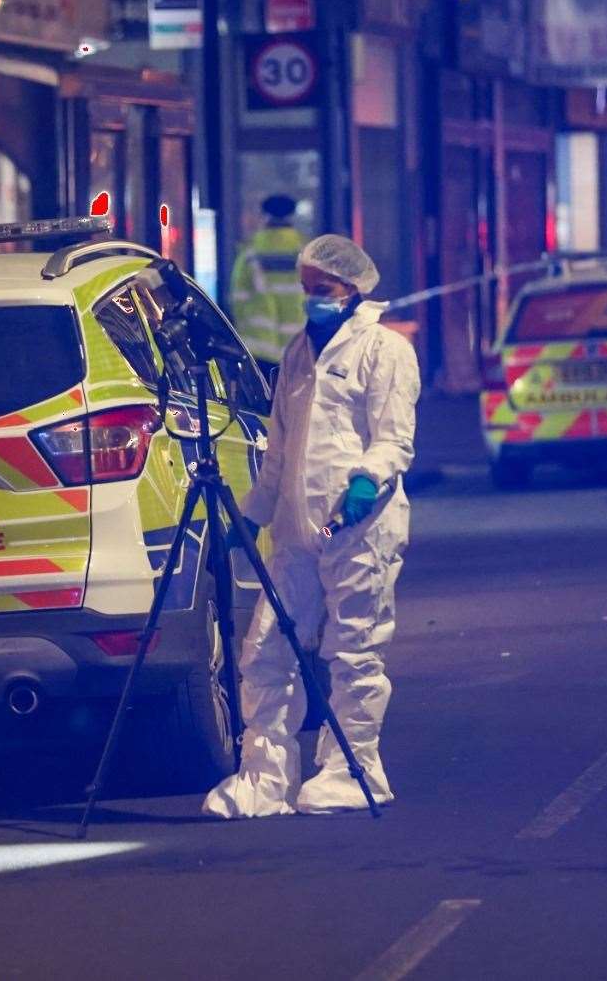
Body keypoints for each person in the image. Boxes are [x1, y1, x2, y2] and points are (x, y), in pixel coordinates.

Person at [205, 234, 419, 817]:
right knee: (267, 653)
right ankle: (264, 779)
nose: (311, 301)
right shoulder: (299, 353)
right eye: (306, 291)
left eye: (321, 291)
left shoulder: (385, 352)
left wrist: (365, 481)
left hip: (359, 531)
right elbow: (279, 454)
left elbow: (394, 440)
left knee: (354, 654)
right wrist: (251, 514)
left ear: (352, 290)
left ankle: (355, 771)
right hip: (297, 533)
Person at [229, 194, 309, 376]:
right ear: (292, 216)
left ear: (264, 215)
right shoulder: (305, 250)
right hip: (298, 344)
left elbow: (238, 299)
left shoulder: (251, 250)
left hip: (259, 348)